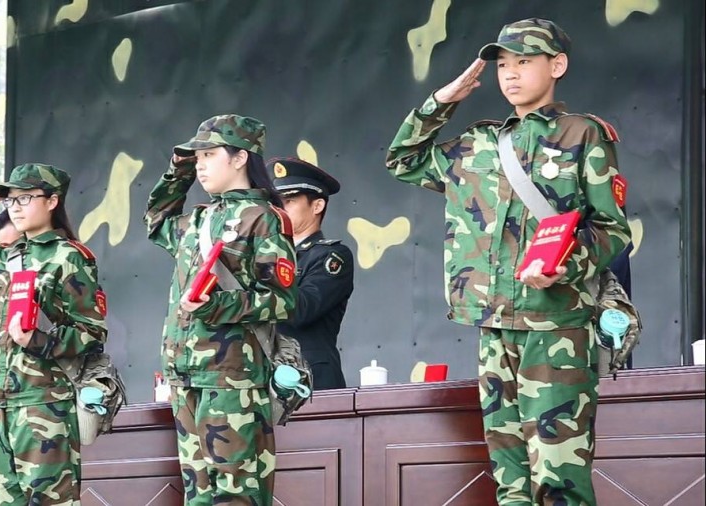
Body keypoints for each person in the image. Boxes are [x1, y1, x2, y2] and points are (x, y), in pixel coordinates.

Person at [385, 18, 631, 505]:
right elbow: (402, 160)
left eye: (524, 61)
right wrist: (443, 100)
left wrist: (565, 265)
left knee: (558, 477)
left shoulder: (581, 134)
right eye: (502, 65)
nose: (511, 74)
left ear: (556, 65)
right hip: (493, 325)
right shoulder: (476, 143)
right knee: (510, 479)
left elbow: (612, 228)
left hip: (556, 327)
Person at [0, 163, 107, 505]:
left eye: (25, 198)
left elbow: (91, 333)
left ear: (52, 201)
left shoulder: (68, 258)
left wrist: (39, 341)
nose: (16, 206)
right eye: (11, 199)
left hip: (43, 403)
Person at [145, 114, 297, 505]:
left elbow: (281, 300)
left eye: (209, 155)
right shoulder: (199, 219)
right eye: (197, 157)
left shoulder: (265, 219)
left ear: (240, 157)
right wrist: (178, 170)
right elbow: (157, 221)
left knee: (236, 492)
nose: (201, 165)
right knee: (197, 494)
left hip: (232, 378)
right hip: (186, 375)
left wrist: (215, 305)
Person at [269, 157, 354, 389]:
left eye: (289, 201)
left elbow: (301, 310)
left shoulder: (331, 255)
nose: (279, 210)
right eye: (276, 203)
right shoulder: (268, 255)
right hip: (267, 376)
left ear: (317, 206)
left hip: (310, 377)